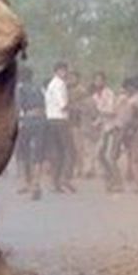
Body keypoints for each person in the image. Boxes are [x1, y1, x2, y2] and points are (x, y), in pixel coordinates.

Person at [14, 66, 46, 199]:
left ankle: (25, 183)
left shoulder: (20, 88)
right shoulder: (38, 88)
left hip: (27, 120)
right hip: (41, 120)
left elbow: (18, 107)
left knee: (22, 152)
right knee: (38, 152)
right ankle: (36, 183)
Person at [44, 61, 77, 193]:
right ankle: (65, 179)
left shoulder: (51, 84)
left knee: (57, 152)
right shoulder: (59, 84)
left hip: (51, 120)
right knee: (70, 151)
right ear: (58, 71)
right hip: (60, 120)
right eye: (64, 70)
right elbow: (63, 104)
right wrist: (76, 106)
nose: (66, 73)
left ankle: (55, 182)